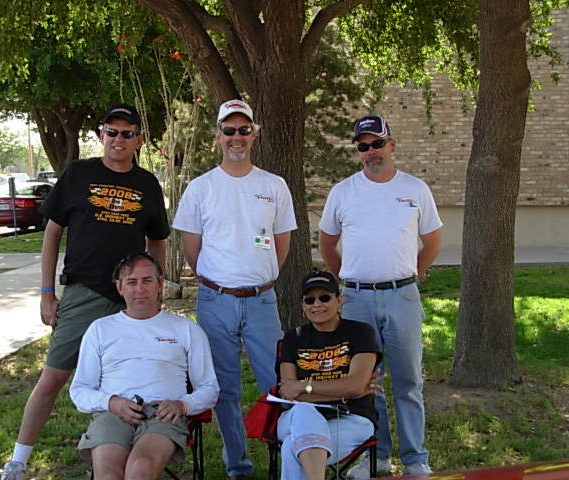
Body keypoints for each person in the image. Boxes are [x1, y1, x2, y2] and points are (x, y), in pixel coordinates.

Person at [0, 103, 171, 480]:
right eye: (112, 131)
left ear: (138, 139)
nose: (118, 139)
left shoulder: (147, 184)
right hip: (83, 293)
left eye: (127, 133)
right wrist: (47, 292)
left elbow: (157, 239)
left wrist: (154, 284)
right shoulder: (78, 174)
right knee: (52, 378)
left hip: (129, 298)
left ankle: (117, 449)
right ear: (100, 134)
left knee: (127, 377)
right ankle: (18, 460)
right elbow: (51, 234)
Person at [172, 99, 297, 479]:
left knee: (275, 383)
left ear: (254, 135)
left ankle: (285, 458)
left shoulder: (273, 185)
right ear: (218, 137)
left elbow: (282, 242)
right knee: (223, 387)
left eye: (244, 130)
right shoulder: (200, 188)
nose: (236, 137)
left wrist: (262, 276)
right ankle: (237, 465)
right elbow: (191, 246)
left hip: (262, 300)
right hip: (215, 301)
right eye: (229, 130)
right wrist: (216, 280)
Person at [319, 114, 442, 477]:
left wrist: (410, 277)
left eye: (377, 143)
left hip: (402, 297)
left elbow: (432, 242)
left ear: (392, 145)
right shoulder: (342, 192)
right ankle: (378, 456)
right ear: (358, 152)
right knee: (367, 384)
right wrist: (347, 277)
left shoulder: (416, 189)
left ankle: (416, 460)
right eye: (363, 146)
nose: (371, 151)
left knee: (408, 383)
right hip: (357, 300)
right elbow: (327, 244)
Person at [69, 253, 219, 479]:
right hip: (113, 412)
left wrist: (183, 405)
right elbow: (79, 390)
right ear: (120, 288)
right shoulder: (100, 329)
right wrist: (111, 402)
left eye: (147, 281)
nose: (139, 288)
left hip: (164, 414)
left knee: (141, 468)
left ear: (160, 285)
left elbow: (210, 387)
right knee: (109, 475)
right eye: (131, 282)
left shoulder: (185, 329)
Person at [276, 270, 382, 480]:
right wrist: (344, 392)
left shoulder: (360, 333)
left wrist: (304, 386)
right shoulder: (293, 338)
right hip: (296, 417)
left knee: (292, 446)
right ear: (302, 305)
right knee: (304, 411)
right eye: (310, 299)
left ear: (339, 300)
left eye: (325, 297)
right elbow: (289, 392)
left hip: (351, 417)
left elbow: (355, 384)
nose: (317, 304)